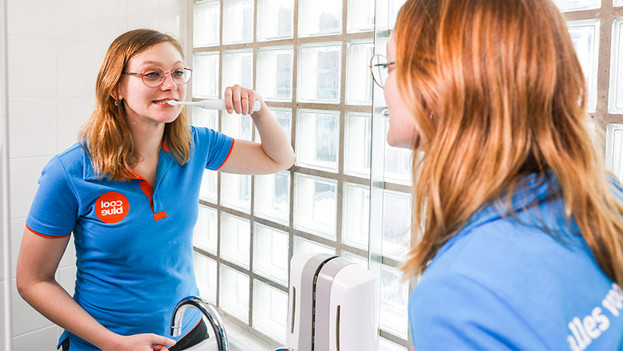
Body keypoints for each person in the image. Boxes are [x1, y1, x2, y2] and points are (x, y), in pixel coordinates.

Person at [16, 29, 295, 351]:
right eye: (152, 74)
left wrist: (258, 109)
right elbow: (33, 281)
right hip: (104, 342)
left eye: (178, 72)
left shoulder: (195, 145)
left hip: (187, 332)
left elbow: (279, 159)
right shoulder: (69, 172)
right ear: (116, 87)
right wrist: (113, 343)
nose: (170, 84)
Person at [374, 0, 623, 349]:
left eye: (389, 65)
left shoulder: (457, 298)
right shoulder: (604, 195)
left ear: (441, 83)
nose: (383, 85)